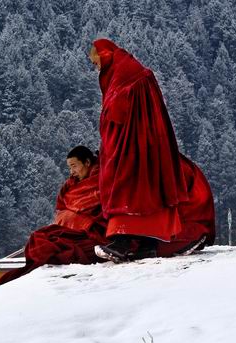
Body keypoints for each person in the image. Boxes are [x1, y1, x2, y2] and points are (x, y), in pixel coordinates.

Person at [88, 39, 190, 262]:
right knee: (143, 184)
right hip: (144, 137)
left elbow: (117, 111)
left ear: (104, 54)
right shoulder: (123, 70)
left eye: (94, 58)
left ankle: (123, 242)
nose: (93, 63)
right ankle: (147, 244)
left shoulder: (128, 73)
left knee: (127, 182)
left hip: (135, 137)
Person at [0, 146, 108, 287]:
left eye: (74, 166)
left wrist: (73, 216)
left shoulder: (101, 180)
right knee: (37, 238)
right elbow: (62, 206)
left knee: (51, 247)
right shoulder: (71, 184)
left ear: (87, 163)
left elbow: (88, 206)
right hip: (72, 230)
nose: (71, 172)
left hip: (93, 233)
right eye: (69, 168)